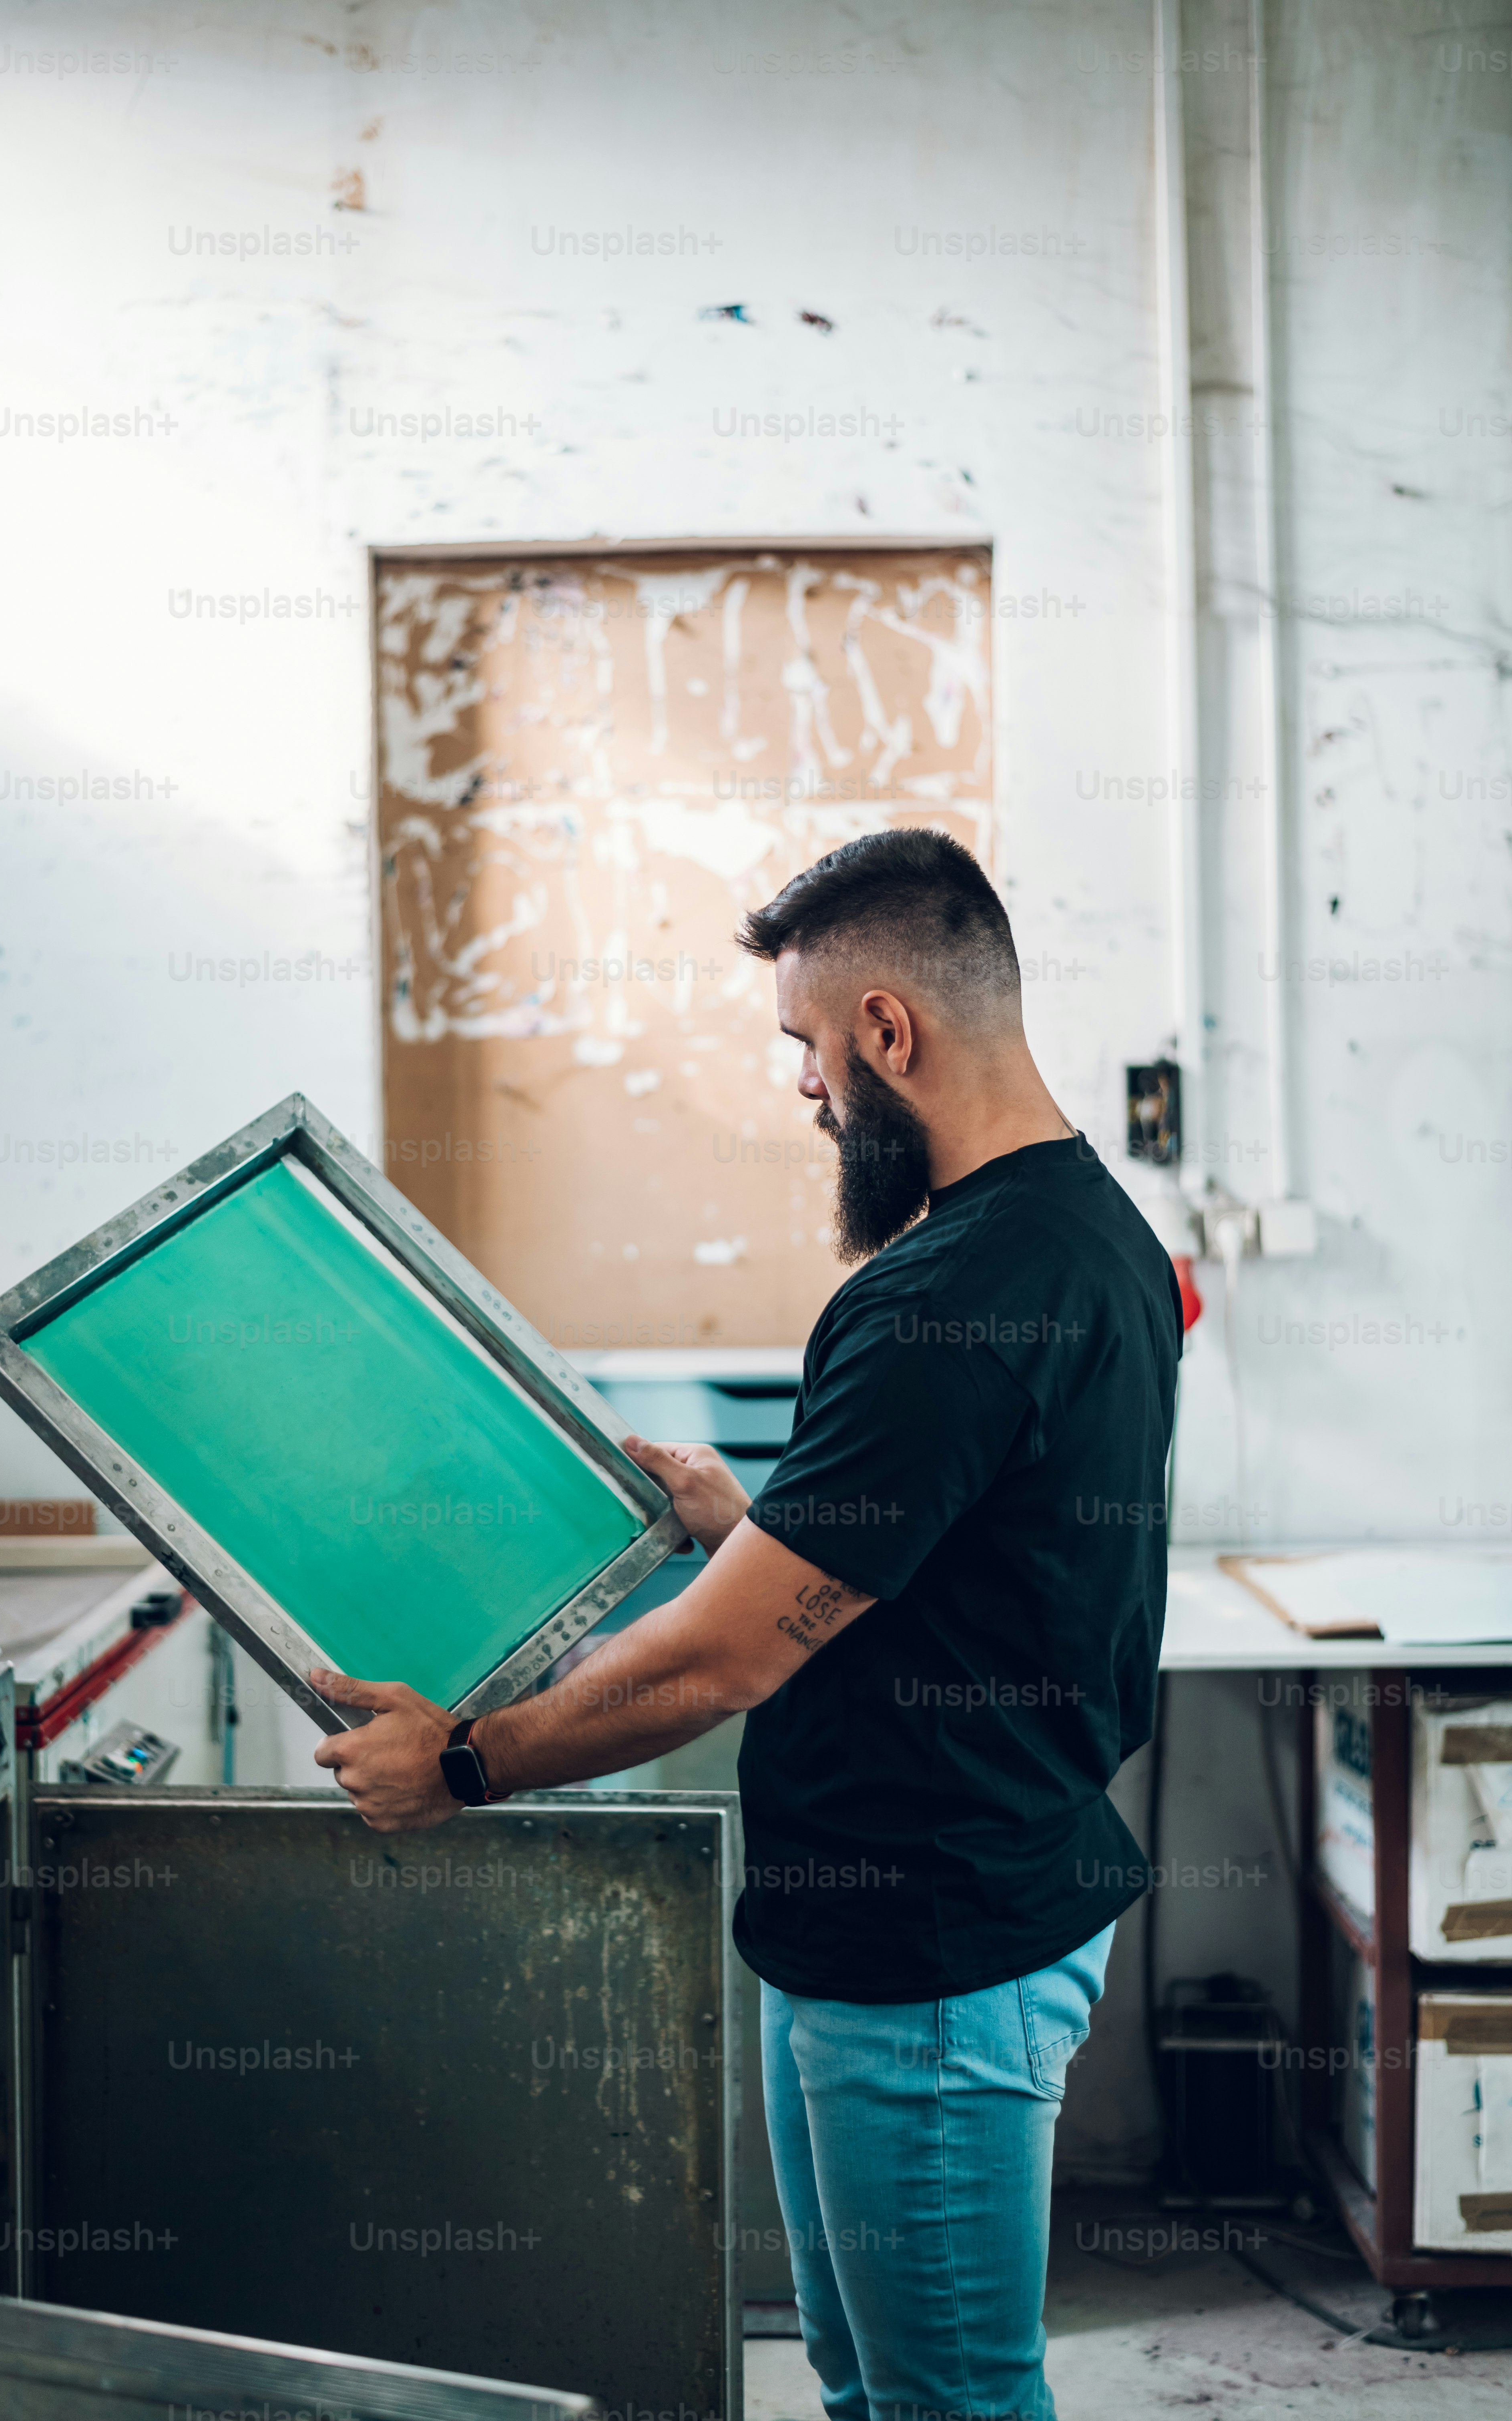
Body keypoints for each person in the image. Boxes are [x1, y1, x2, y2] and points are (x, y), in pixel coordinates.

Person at [314, 827, 1182, 2421]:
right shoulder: (1084, 1233)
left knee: (948, 2404)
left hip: (928, 1956)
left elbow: (723, 1658)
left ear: (885, 1033)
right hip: (934, 1917)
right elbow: (961, 1539)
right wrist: (760, 1525)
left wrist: (463, 1761)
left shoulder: (942, 1299)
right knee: (863, 2387)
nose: (801, 1088)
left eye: (803, 1044)